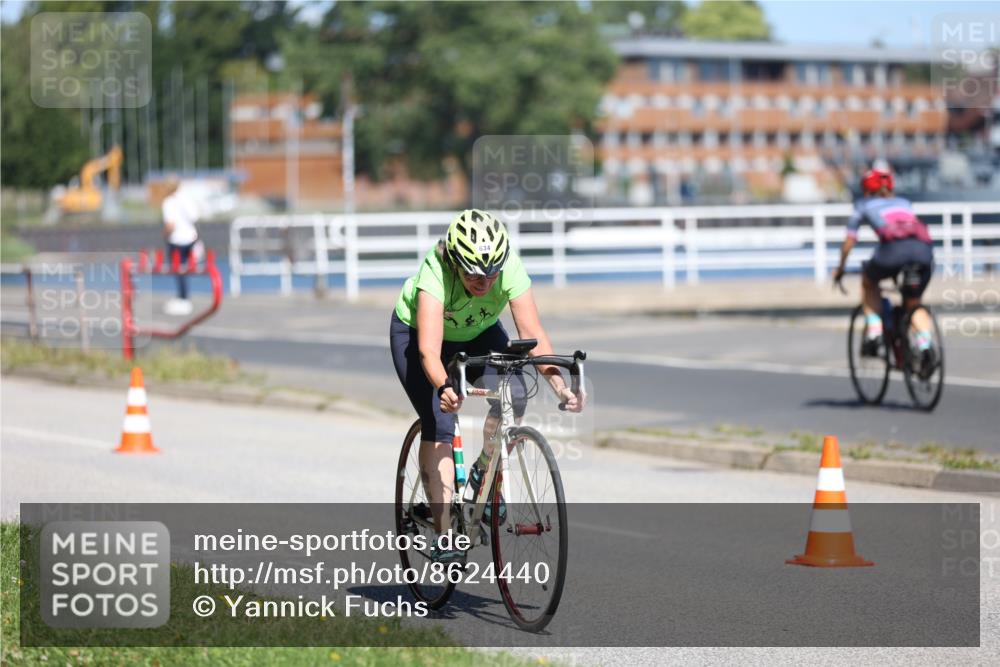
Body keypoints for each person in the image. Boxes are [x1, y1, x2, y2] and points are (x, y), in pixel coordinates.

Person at [390, 209, 584, 564]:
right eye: (475, 275)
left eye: (492, 274)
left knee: (516, 393)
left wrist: (560, 387)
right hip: (419, 337)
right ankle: (444, 528)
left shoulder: (508, 266)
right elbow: (428, 352)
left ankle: (483, 472)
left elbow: (533, 334)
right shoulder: (435, 273)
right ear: (456, 261)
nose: (485, 283)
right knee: (441, 421)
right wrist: (444, 387)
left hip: (477, 333)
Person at [833, 167, 936, 368]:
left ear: (865, 189)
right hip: (924, 252)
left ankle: (874, 332)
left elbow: (849, 241)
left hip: (892, 253)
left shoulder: (863, 205)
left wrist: (840, 268)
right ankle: (925, 347)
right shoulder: (905, 203)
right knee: (913, 303)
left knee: (869, 281)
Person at [161, 177, 201, 315]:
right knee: (186, 268)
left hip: (177, 240)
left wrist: (164, 235)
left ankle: (183, 298)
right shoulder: (187, 198)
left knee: (178, 269)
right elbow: (195, 217)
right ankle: (184, 297)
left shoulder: (169, 202)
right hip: (191, 238)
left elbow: (170, 225)